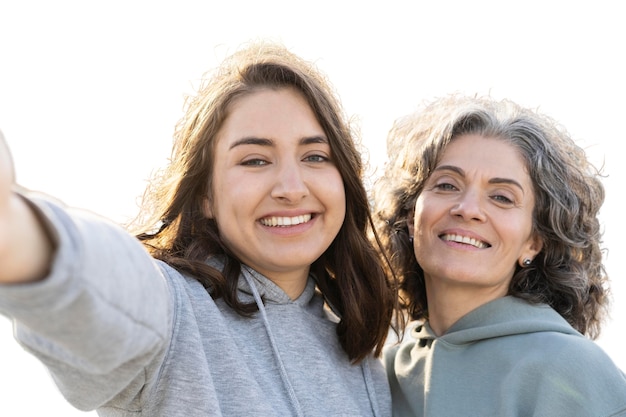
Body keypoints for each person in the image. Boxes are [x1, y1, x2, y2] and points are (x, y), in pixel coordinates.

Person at [0, 41, 398, 416]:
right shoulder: (173, 316)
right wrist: (19, 231)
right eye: (255, 160)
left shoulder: (364, 358)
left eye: (314, 156)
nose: (292, 189)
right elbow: (107, 283)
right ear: (205, 194)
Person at [372, 94, 626, 416]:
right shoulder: (383, 371)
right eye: (447, 185)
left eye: (502, 197)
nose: (467, 209)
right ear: (411, 216)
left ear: (533, 242)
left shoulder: (576, 372)